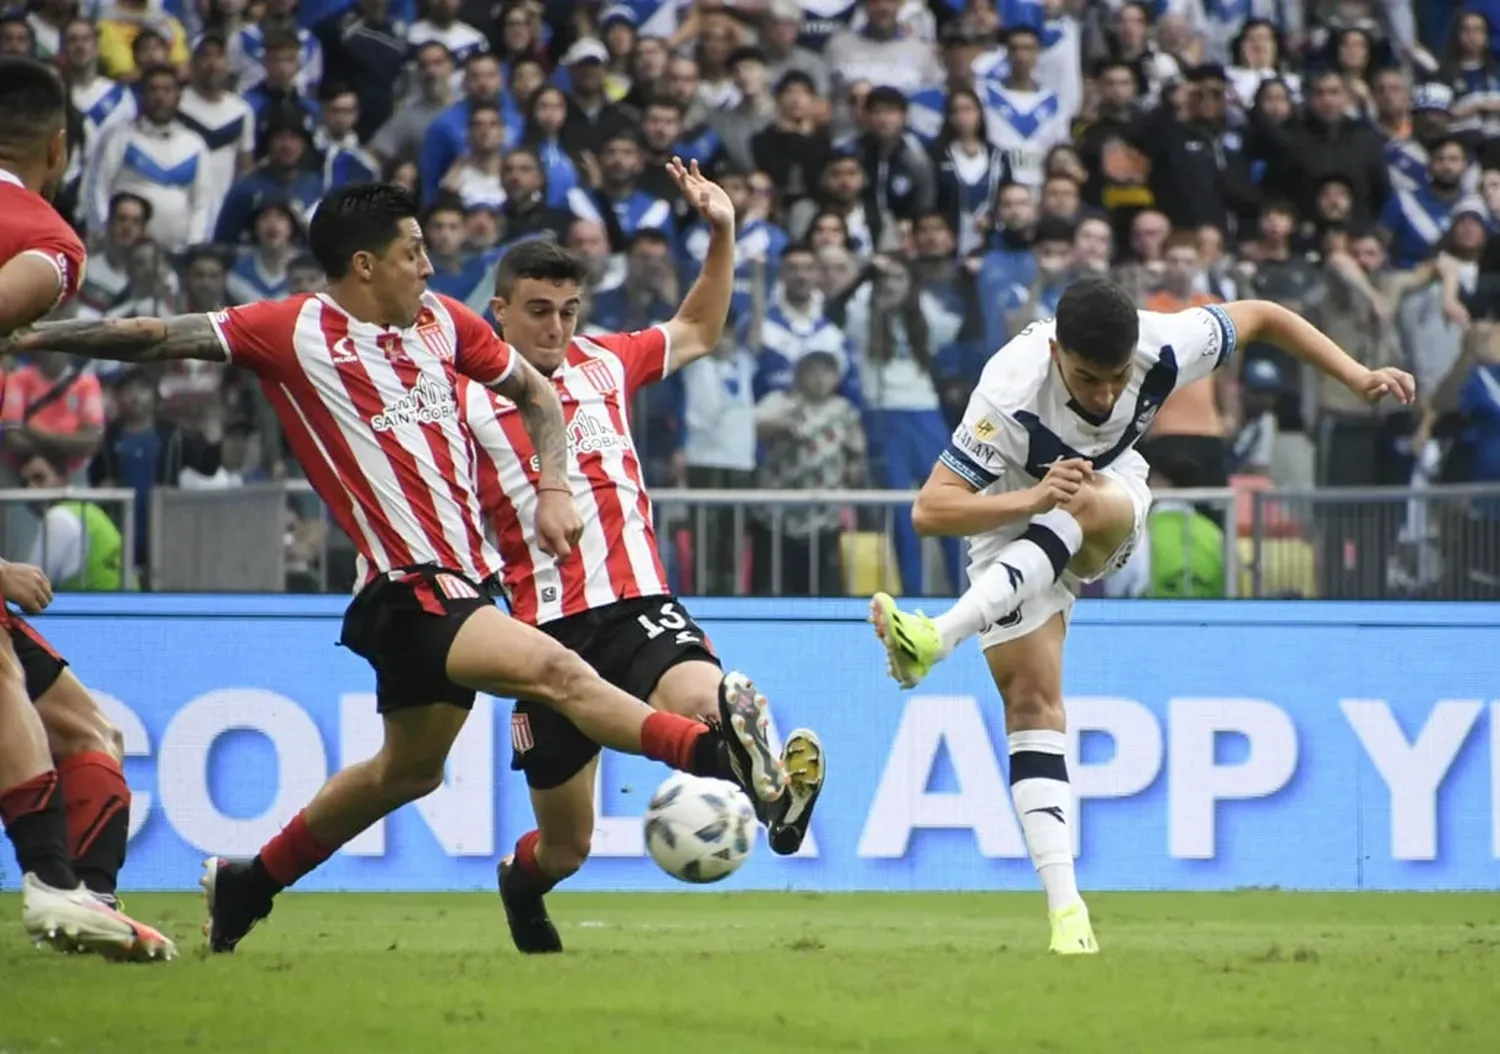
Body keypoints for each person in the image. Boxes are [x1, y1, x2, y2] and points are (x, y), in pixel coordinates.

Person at [7, 181, 791, 955]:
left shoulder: (443, 325)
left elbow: (540, 399)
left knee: (405, 772)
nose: (429, 266)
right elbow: (154, 335)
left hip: (465, 585)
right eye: (413, 252)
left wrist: (553, 485)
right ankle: (712, 754)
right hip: (406, 587)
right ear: (364, 264)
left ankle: (252, 883)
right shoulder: (290, 329)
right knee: (559, 672)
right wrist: (32, 335)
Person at [868, 278, 1416, 954]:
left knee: (1077, 499)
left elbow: (1267, 316)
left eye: (1115, 379)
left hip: (1108, 495)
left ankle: (938, 634)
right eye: (1087, 379)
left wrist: (1358, 374)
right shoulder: (1008, 389)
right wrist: (1029, 500)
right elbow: (931, 511)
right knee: (1033, 705)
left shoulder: (1163, 345)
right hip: (1011, 514)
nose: (1103, 396)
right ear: (1056, 351)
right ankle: (1069, 917)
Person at [463, 161, 825, 954]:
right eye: (537, 312)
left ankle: (758, 778)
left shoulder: (606, 361)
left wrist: (723, 233)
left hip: (636, 603)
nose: (556, 328)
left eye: (567, 311)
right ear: (500, 311)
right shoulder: (462, 398)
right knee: (566, 849)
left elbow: (698, 330)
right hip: (540, 634)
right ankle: (520, 885)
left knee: (713, 696)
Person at [0, 56, 174, 962]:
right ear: (59, 147)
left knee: (82, 725)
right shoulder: (48, 242)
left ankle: (87, 899)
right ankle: (52, 888)